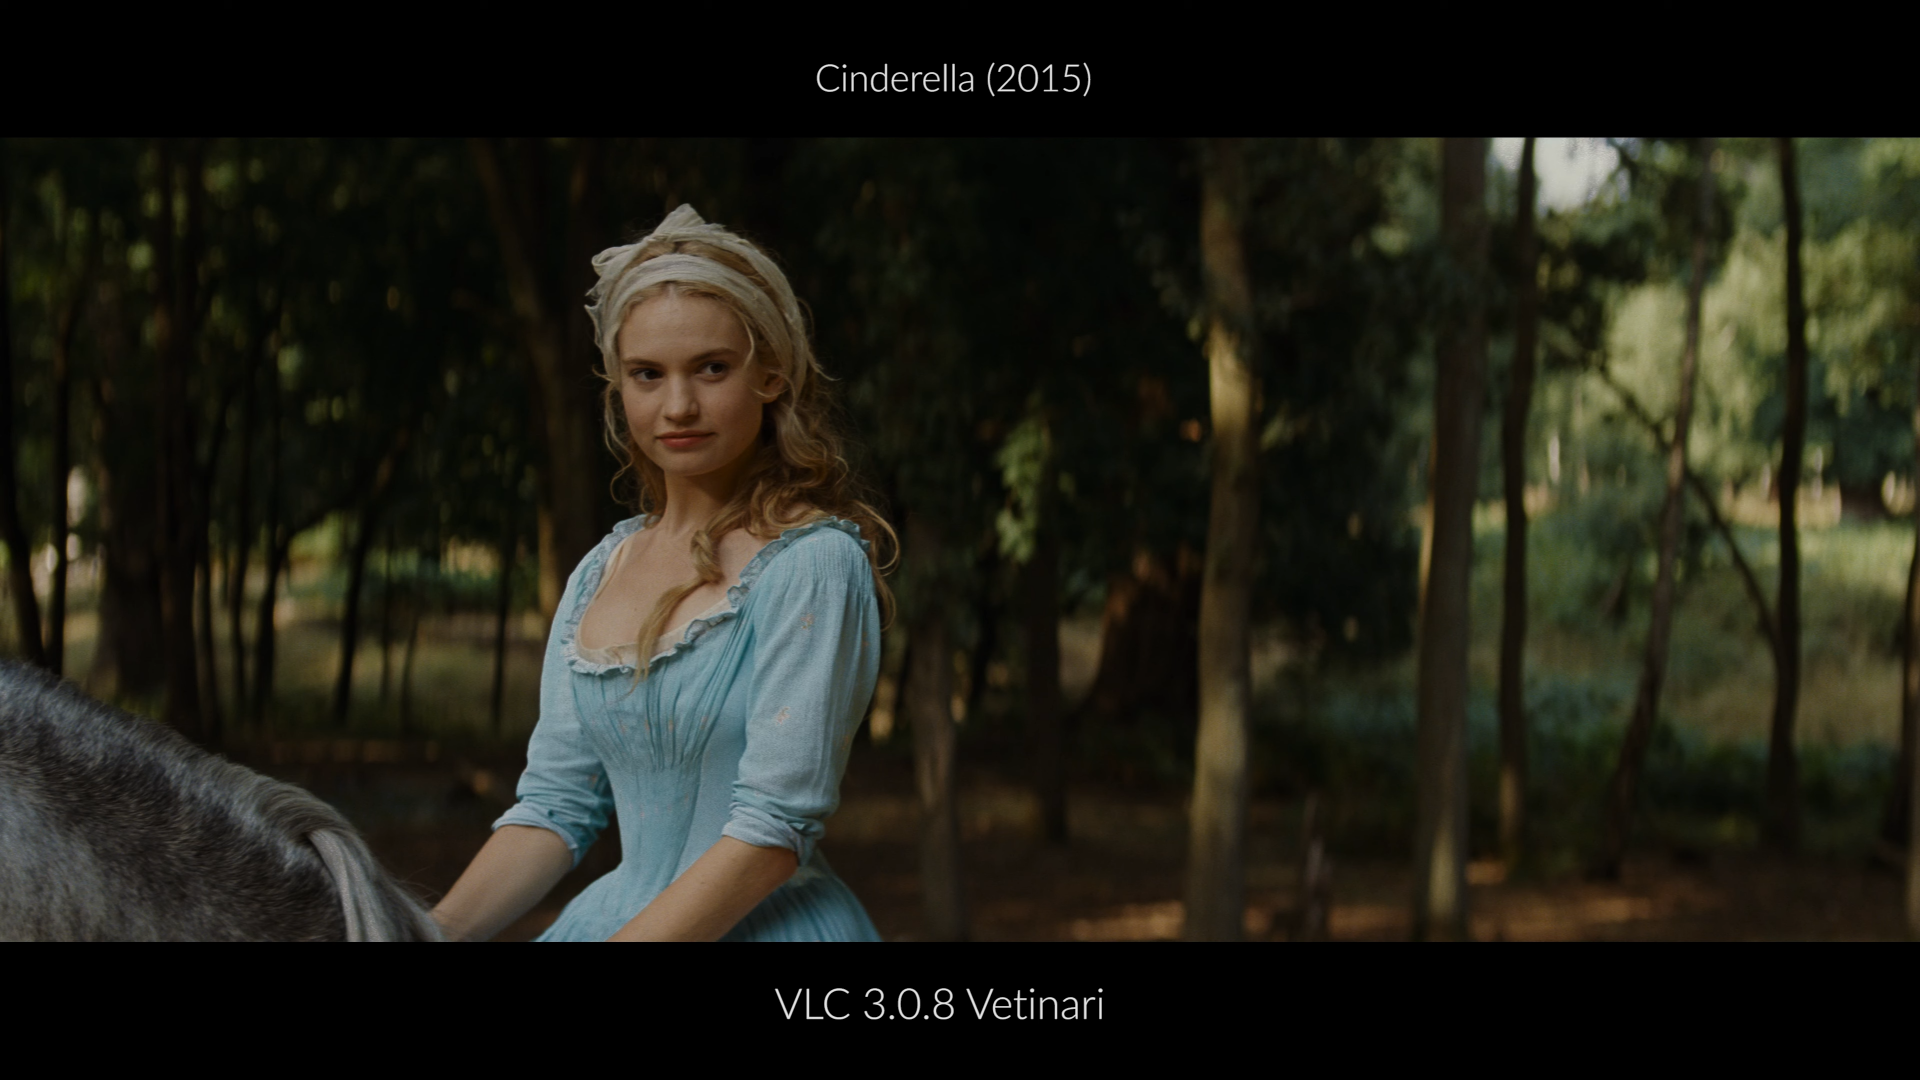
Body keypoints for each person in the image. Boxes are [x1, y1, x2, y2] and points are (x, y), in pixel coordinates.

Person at [432, 205, 896, 941]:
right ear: (619, 386)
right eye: (648, 374)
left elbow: (772, 833)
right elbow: (555, 807)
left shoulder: (814, 564)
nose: (678, 406)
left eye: (712, 368)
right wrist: (423, 934)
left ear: (771, 374)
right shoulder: (600, 570)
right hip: (612, 920)